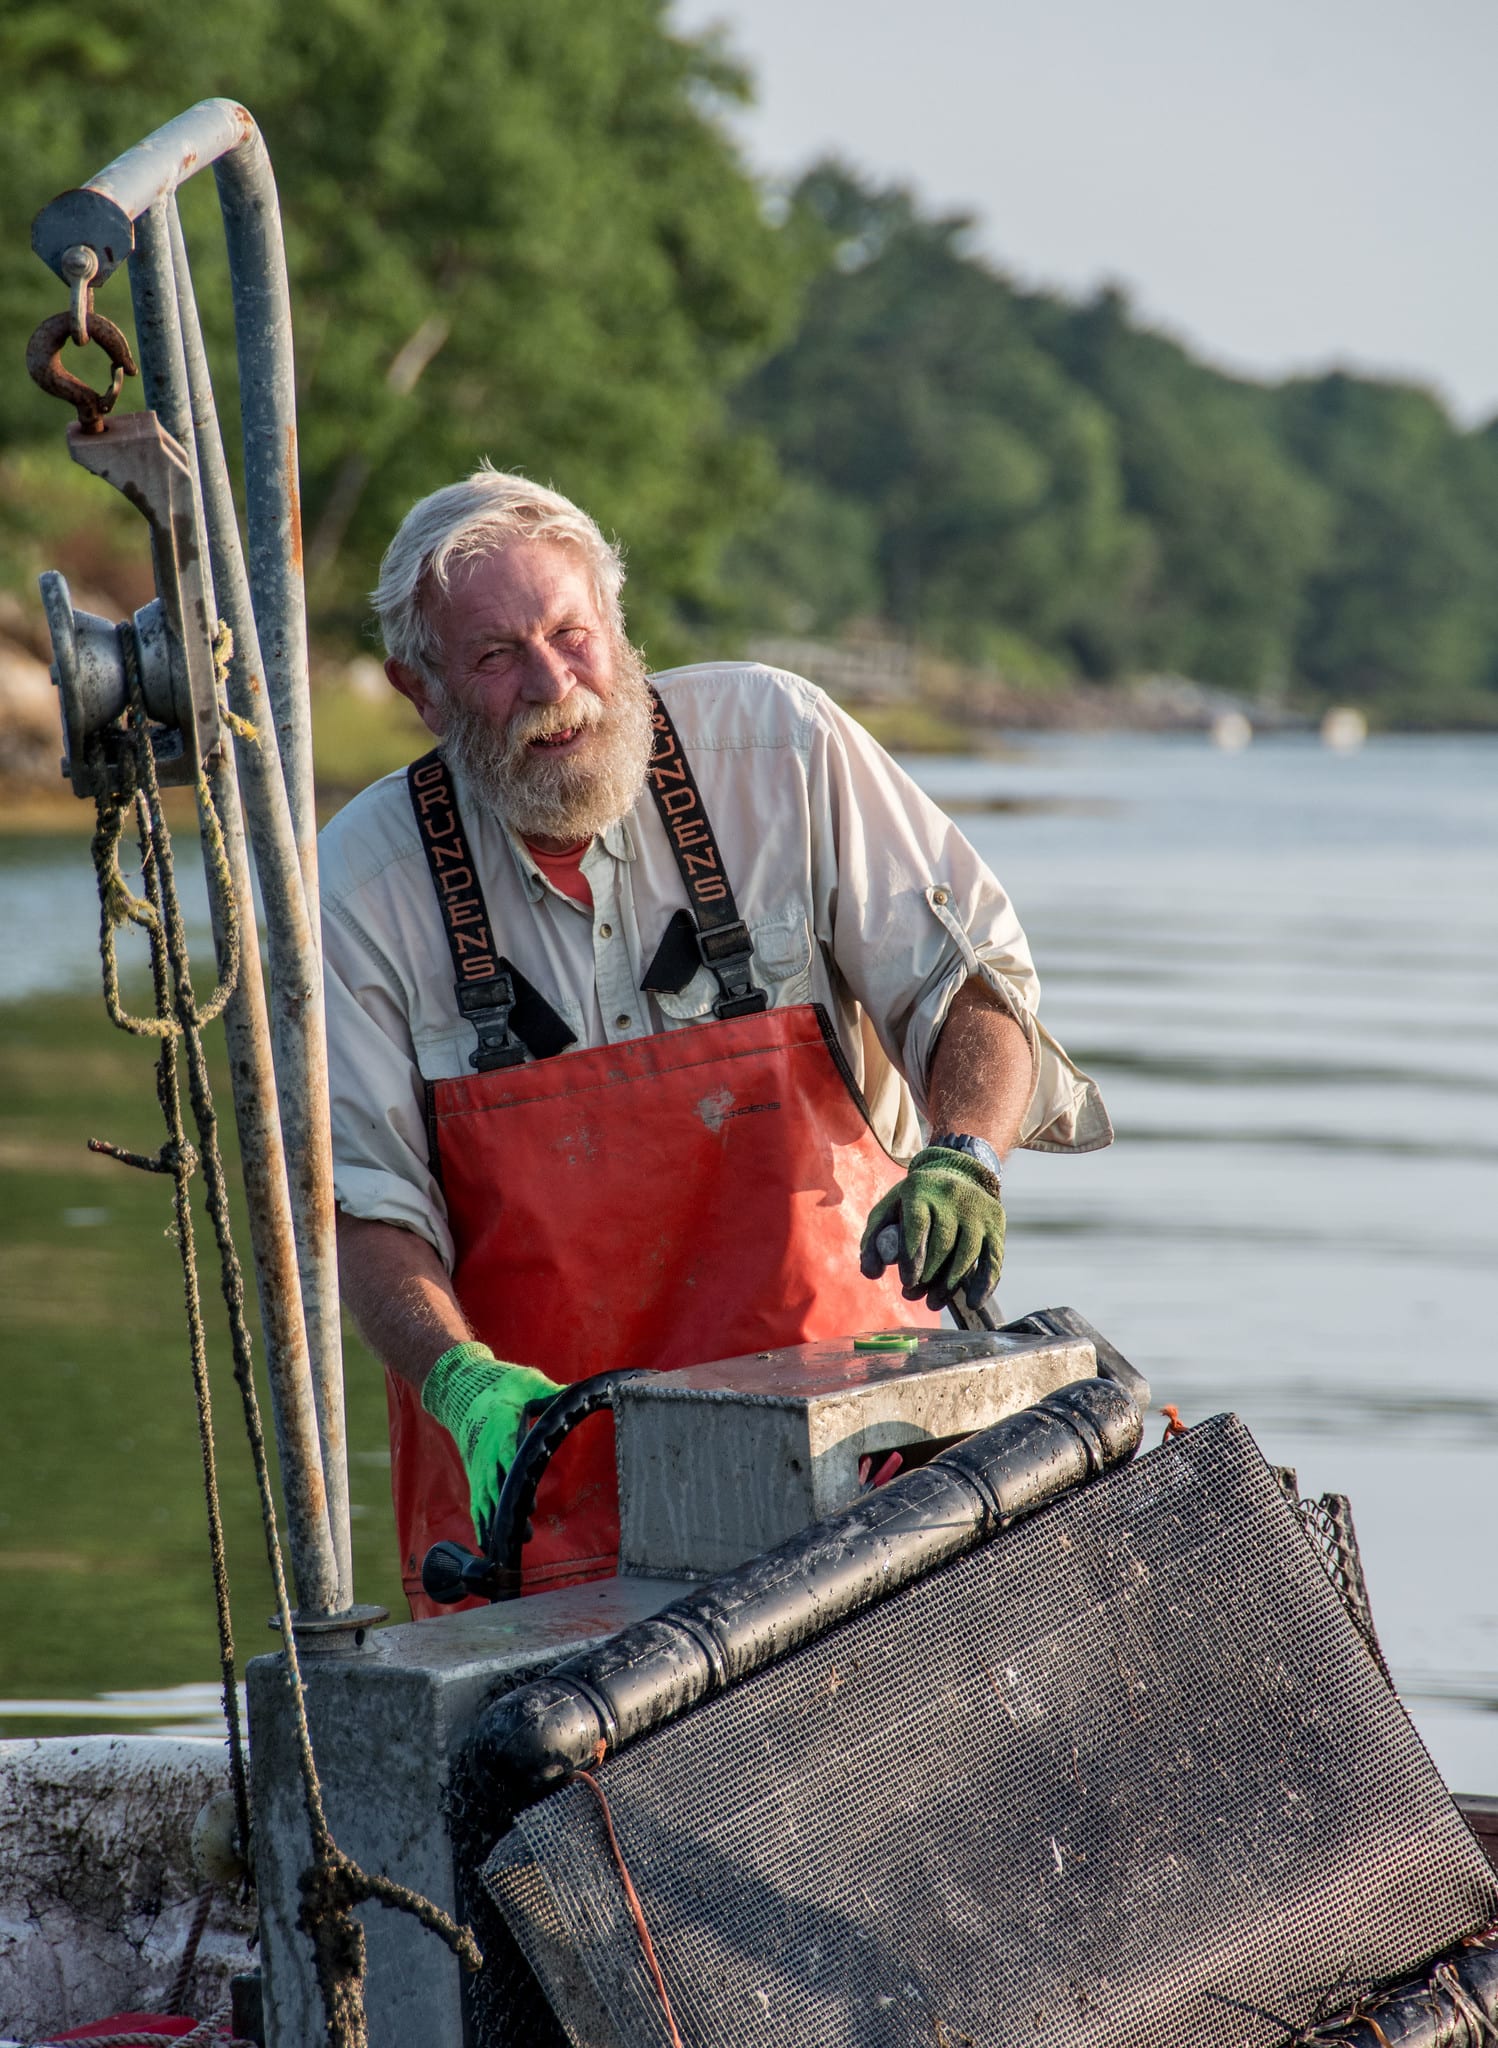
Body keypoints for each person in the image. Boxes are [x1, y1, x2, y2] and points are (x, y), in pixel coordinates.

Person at [321, 466, 1111, 1617]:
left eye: (572, 633)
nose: (555, 686)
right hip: (542, 1524)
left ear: (619, 628)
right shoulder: (360, 881)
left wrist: (964, 1156)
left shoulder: (779, 744)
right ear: (422, 690)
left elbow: (977, 995)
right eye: (495, 657)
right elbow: (363, 1203)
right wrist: (459, 1380)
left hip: (864, 1482)